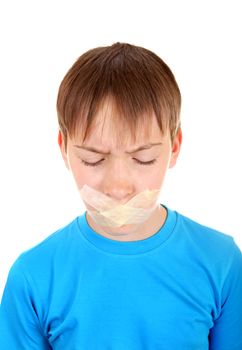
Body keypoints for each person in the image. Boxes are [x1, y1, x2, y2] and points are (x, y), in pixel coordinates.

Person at [0, 43, 241, 350]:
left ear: (174, 147)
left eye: (143, 159)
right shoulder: (34, 276)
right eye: (93, 159)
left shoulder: (221, 261)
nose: (118, 187)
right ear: (64, 149)